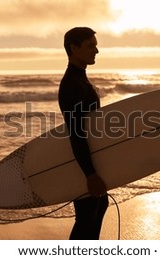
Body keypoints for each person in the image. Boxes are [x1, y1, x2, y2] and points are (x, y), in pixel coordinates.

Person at [58, 27, 108, 240]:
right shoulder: (72, 85)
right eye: (90, 46)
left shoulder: (81, 81)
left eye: (95, 45)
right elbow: (76, 133)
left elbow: (91, 128)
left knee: (98, 206)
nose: (96, 50)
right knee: (87, 215)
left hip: (91, 160)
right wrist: (90, 175)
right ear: (73, 48)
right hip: (84, 165)